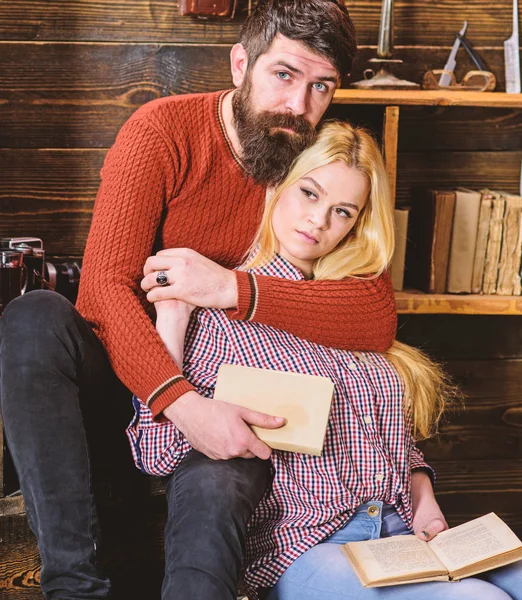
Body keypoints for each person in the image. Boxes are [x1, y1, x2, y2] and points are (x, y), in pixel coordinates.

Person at [0, 2, 398, 599]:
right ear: (241, 64)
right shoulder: (161, 132)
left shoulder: (314, 161)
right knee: (34, 317)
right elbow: (105, 290)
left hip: (241, 395)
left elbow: (374, 314)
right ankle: (74, 587)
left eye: (321, 87)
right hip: (137, 377)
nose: (299, 106)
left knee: (224, 477)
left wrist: (231, 288)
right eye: (284, 76)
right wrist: (182, 404)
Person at [130, 121, 522, 600]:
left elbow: (382, 434)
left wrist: (424, 497)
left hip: (402, 534)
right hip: (306, 548)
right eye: (309, 193)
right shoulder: (218, 308)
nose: (319, 222)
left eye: (342, 211)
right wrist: (172, 317)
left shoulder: (356, 306)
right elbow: (155, 454)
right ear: (277, 186)